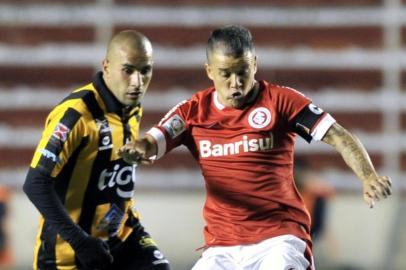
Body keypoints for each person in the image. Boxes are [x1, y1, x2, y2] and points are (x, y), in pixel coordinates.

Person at [118, 25, 392, 270]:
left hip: (279, 240)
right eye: (226, 74)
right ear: (209, 71)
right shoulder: (193, 112)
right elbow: (153, 140)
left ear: (255, 65)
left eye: (243, 72)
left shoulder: (281, 101)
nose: (236, 83)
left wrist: (368, 176)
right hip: (221, 248)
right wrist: (139, 149)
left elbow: (339, 136)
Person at [23, 30, 171, 270]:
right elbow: (35, 183)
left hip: (123, 236)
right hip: (71, 251)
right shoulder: (75, 115)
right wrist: (80, 242)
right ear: (107, 66)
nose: (138, 81)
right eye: (128, 70)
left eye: (145, 70)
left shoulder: (131, 108)